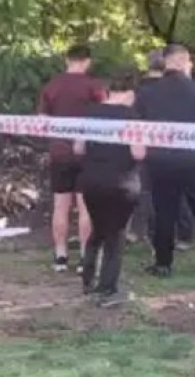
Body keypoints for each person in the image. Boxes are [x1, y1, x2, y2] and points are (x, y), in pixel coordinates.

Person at [135, 43, 195, 276]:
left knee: (164, 211)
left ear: (165, 62)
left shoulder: (146, 92)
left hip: (160, 159)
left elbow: (137, 128)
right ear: (183, 62)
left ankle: (163, 263)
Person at [74, 67, 145, 308]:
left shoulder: (89, 114)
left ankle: (88, 279)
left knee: (98, 230)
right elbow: (138, 152)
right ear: (129, 93)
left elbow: (78, 148)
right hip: (121, 183)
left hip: (92, 181)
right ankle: (108, 288)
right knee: (116, 235)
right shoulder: (132, 118)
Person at [38, 45, 106, 273]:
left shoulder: (52, 86)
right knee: (86, 207)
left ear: (66, 60)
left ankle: (60, 256)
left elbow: (42, 121)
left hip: (59, 152)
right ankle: (85, 257)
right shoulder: (94, 86)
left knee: (60, 205)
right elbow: (103, 118)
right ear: (87, 61)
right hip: (88, 153)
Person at [133, 49, 195, 249]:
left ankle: (155, 234)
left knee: (152, 193)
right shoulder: (181, 89)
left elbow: (135, 119)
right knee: (181, 192)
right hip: (181, 145)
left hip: (151, 148)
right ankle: (184, 234)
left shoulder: (141, 90)